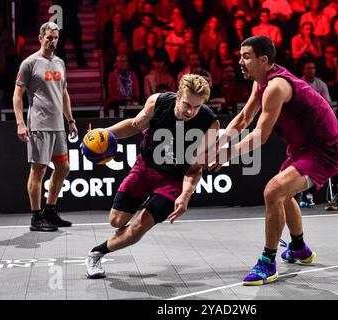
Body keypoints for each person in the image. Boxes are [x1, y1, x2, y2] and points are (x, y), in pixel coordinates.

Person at [210, 36, 338, 285]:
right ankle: (298, 247)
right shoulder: (260, 82)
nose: (240, 61)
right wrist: (218, 144)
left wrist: (226, 155)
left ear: (264, 60)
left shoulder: (276, 87)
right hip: (302, 148)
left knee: (273, 191)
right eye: (240, 56)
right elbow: (243, 118)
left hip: (324, 150)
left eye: (246, 57)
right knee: (283, 194)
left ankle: (267, 263)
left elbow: (260, 136)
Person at [85, 74, 220, 279]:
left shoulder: (210, 123)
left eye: (196, 107)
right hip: (145, 168)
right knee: (116, 220)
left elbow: (194, 168)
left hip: (173, 180)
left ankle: (97, 252)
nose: (190, 111)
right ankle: (113, 240)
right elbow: (134, 125)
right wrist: (103, 133)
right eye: (186, 104)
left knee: (141, 225)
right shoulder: (157, 102)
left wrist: (185, 195)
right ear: (177, 96)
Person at [13, 22, 77, 232]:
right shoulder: (29, 63)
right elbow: (17, 96)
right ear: (40, 38)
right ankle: (36, 216)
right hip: (39, 124)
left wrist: (70, 120)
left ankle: (50, 210)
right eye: (49, 37)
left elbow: (64, 93)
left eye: (55, 37)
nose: (52, 41)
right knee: (38, 170)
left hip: (58, 125)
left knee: (64, 167)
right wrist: (21, 123)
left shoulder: (59, 63)